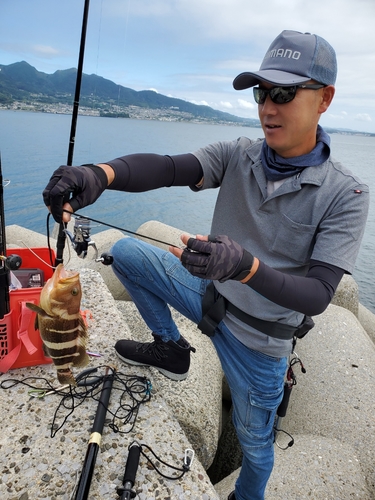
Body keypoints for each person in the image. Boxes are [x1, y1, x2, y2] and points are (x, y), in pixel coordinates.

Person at [43, 30, 369, 500]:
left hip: (261, 342)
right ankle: (171, 347)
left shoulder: (347, 194)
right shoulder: (240, 154)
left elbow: (318, 295)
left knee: (256, 447)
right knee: (131, 254)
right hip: (209, 296)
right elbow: (168, 167)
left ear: (325, 99)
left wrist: (244, 267)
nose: (267, 108)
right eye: (261, 92)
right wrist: (99, 174)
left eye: (283, 93)